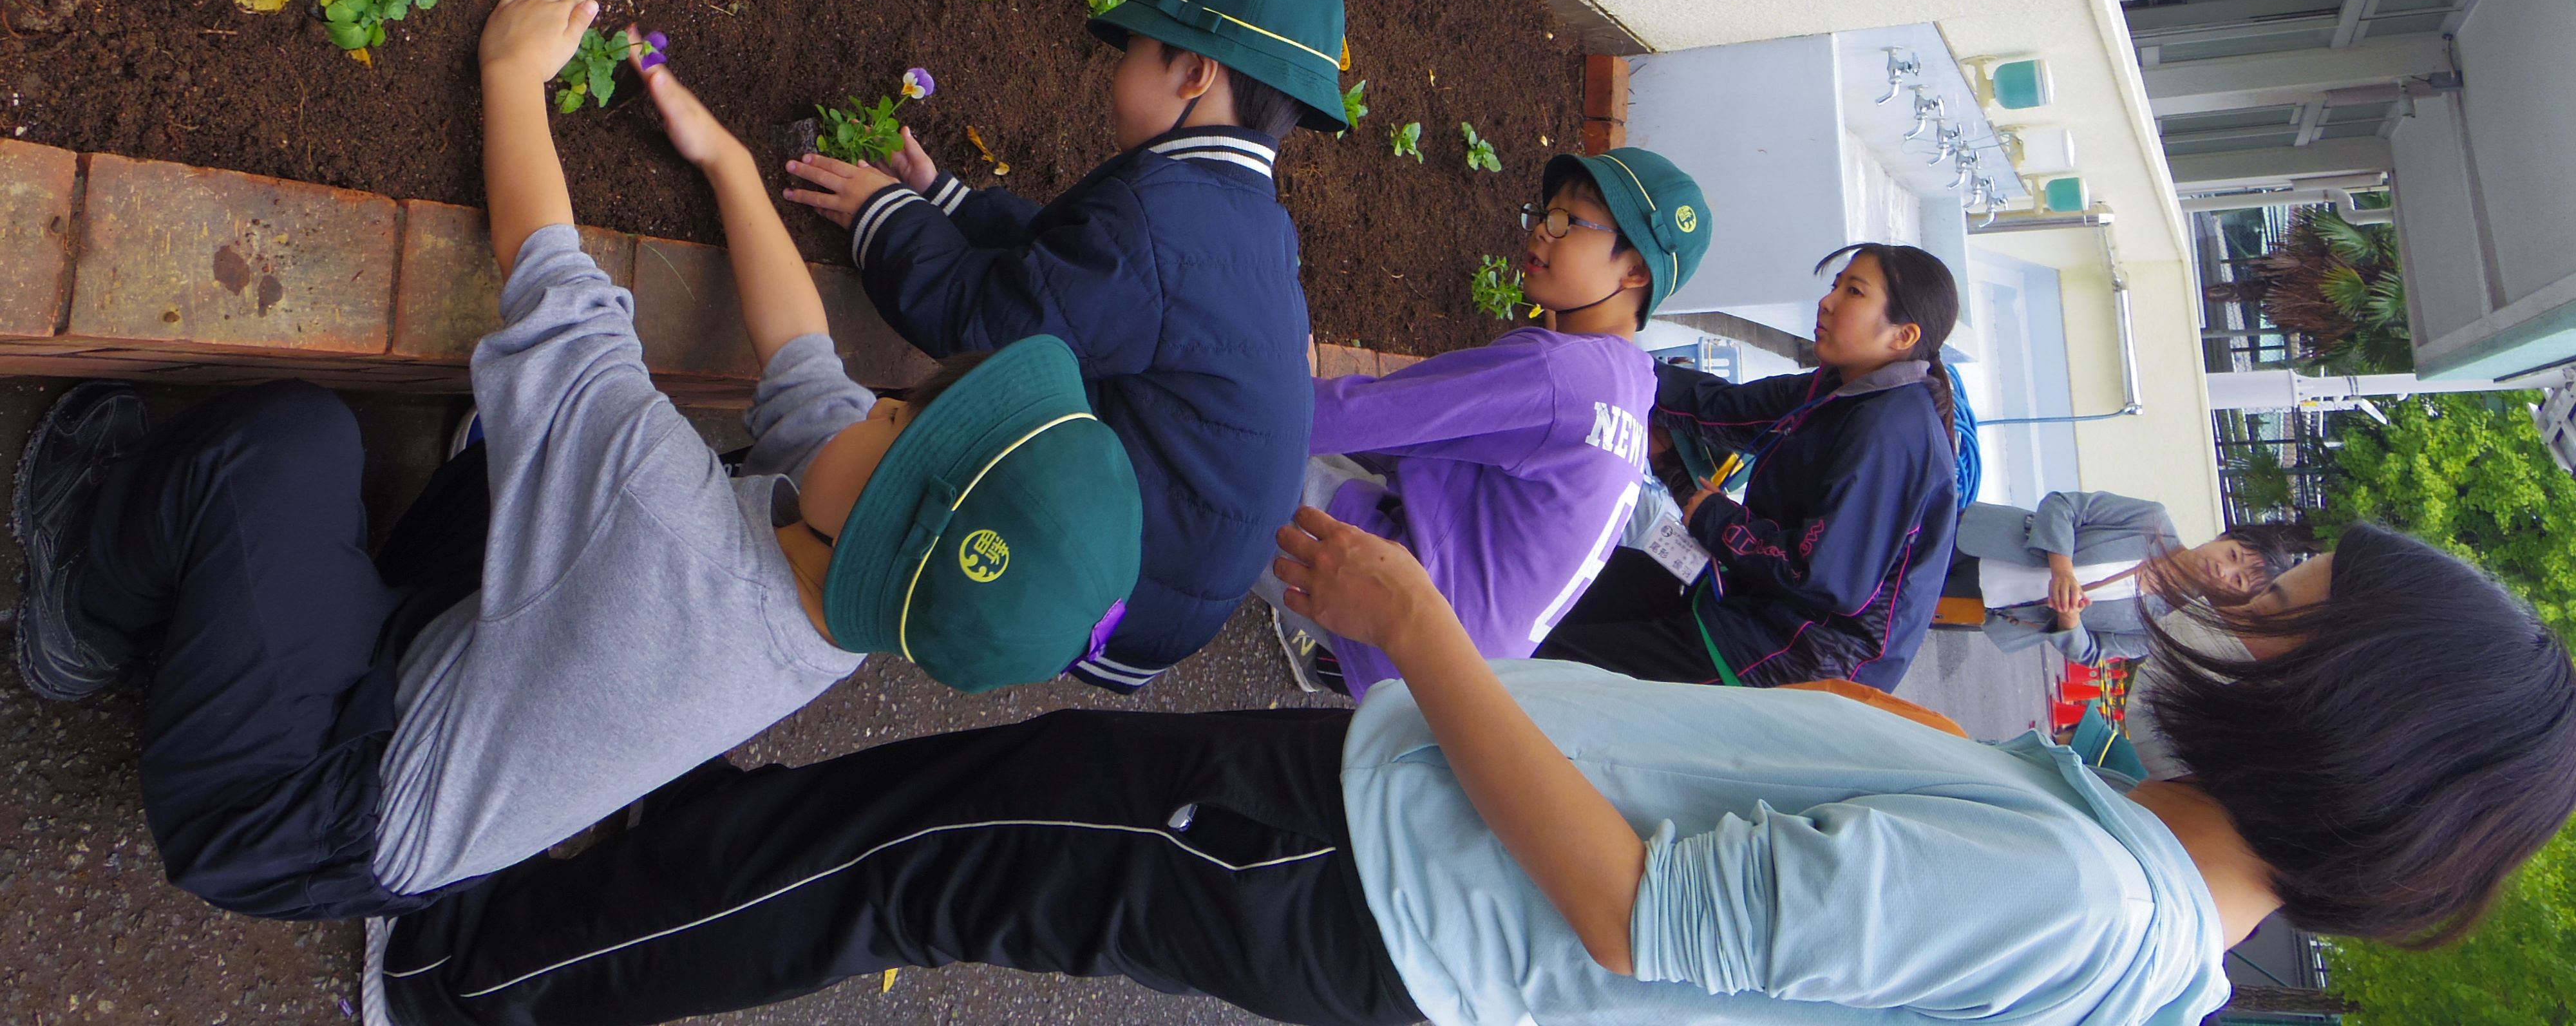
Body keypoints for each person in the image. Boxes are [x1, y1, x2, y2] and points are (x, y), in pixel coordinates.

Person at [358, 513, 2576, 1026]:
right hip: (1392, 857)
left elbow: (1649, 914)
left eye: (2288, 599)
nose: (2232, 581)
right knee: (941, 826)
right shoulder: (2135, 909)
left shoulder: (2095, 912)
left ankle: (463, 972)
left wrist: (1424, 632)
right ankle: (537, 901)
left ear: (2348, 717)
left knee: (926, 854)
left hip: (1385, 875)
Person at [6, 0, 1139, 920]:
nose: (875, 402)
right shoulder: (863, 591)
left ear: (878, 531)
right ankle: (419, 540)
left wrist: (511, 74)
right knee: (517, 457)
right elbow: (803, 360)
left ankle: (79, 613)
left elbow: (560, 290)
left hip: (287, 804)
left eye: (898, 419)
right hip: (441, 723)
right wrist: (731, 167)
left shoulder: (664, 523)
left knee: (288, 446)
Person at [779, 0, 1347, 692]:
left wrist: (886, 216)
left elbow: (983, 323)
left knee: (913, 464)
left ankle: (818, 607)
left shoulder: (1162, 221)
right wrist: (948, 202)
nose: (1117, 70)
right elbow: (1069, 273)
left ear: (1193, 76)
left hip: (1118, 588)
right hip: (1187, 569)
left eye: (1136, 51)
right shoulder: (1243, 217)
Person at [1267, 147, 1710, 694]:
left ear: (1635, 269)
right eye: (1544, 213)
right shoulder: (1629, 391)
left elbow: (1363, 415)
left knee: (1229, 450)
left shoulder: (1563, 373)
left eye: (1568, 221)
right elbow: (1421, 439)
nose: (1542, 232)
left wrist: (1235, 395)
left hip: (1398, 616)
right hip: (1455, 673)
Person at [1535, 242, 1961, 690]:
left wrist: (1719, 520)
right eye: (1836, 285)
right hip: (1753, 601)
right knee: (1575, 579)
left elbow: (1822, 576)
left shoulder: (1892, 432)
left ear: (1903, 336)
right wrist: (1604, 359)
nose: (1827, 301)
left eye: (1854, 292)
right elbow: (1725, 407)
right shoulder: (1844, 388)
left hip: (1797, 659)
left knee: (1561, 663)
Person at [1942, 489, 2289, 663]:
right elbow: (2063, 504)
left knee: (1891, 604)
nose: (2224, 570)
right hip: (1978, 538)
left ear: (2233, 597)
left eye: (2238, 581)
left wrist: (2070, 620)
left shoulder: (2161, 629)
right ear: (2222, 538)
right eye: (2232, 556)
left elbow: (2092, 653)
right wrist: (2062, 569)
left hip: (1990, 607)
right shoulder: (2151, 520)